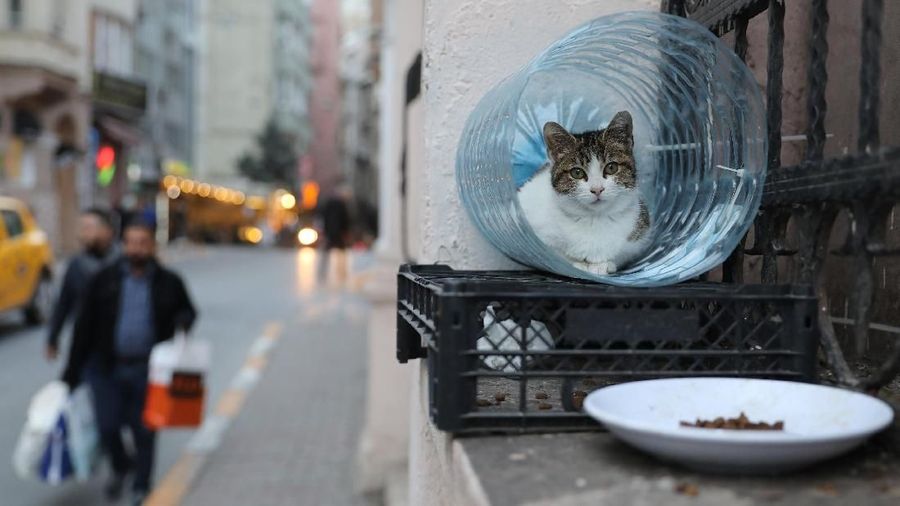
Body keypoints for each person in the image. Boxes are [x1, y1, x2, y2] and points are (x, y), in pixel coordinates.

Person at [63, 221, 197, 505]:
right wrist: (71, 373)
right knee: (108, 426)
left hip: (149, 371)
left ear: (152, 246)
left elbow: (188, 310)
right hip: (107, 368)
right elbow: (83, 327)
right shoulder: (104, 279)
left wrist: (182, 321)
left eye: (142, 242)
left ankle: (141, 484)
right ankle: (122, 467)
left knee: (145, 430)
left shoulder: (168, 281)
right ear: (123, 245)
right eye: (131, 242)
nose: (136, 248)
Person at [45, 208, 118, 361]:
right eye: (82, 229)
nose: (83, 234)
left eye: (88, 228)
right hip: (88, 344)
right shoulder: (76, 265)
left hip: (121, 344)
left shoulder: (125, 261)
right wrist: (53, 338)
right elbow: (63, 304)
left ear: (107, 230)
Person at [318, 186, 352, 284]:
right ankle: (342, 273)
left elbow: (324, 217)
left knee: (326, 253)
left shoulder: (329, 203)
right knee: (340, 253)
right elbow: (345, 220)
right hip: (337, 233)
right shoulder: (341, 205)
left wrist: (325, 230)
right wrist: (345, 231)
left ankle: (322, 273)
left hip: (330, 232)